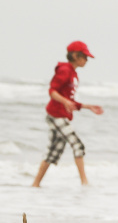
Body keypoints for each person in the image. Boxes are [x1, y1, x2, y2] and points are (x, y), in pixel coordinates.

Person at [31, 41, 104, 187]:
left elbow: (69, 100)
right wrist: (64, 101)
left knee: (54, 151)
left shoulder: (72, 72)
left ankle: (35, 184)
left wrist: (87, 107)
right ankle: (85, 183)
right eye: (85, 57)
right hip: (56, 115)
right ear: (76, 56)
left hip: (60, 115)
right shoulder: (64, 70)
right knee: (78, 145)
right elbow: (52, 91)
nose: (87, 60)